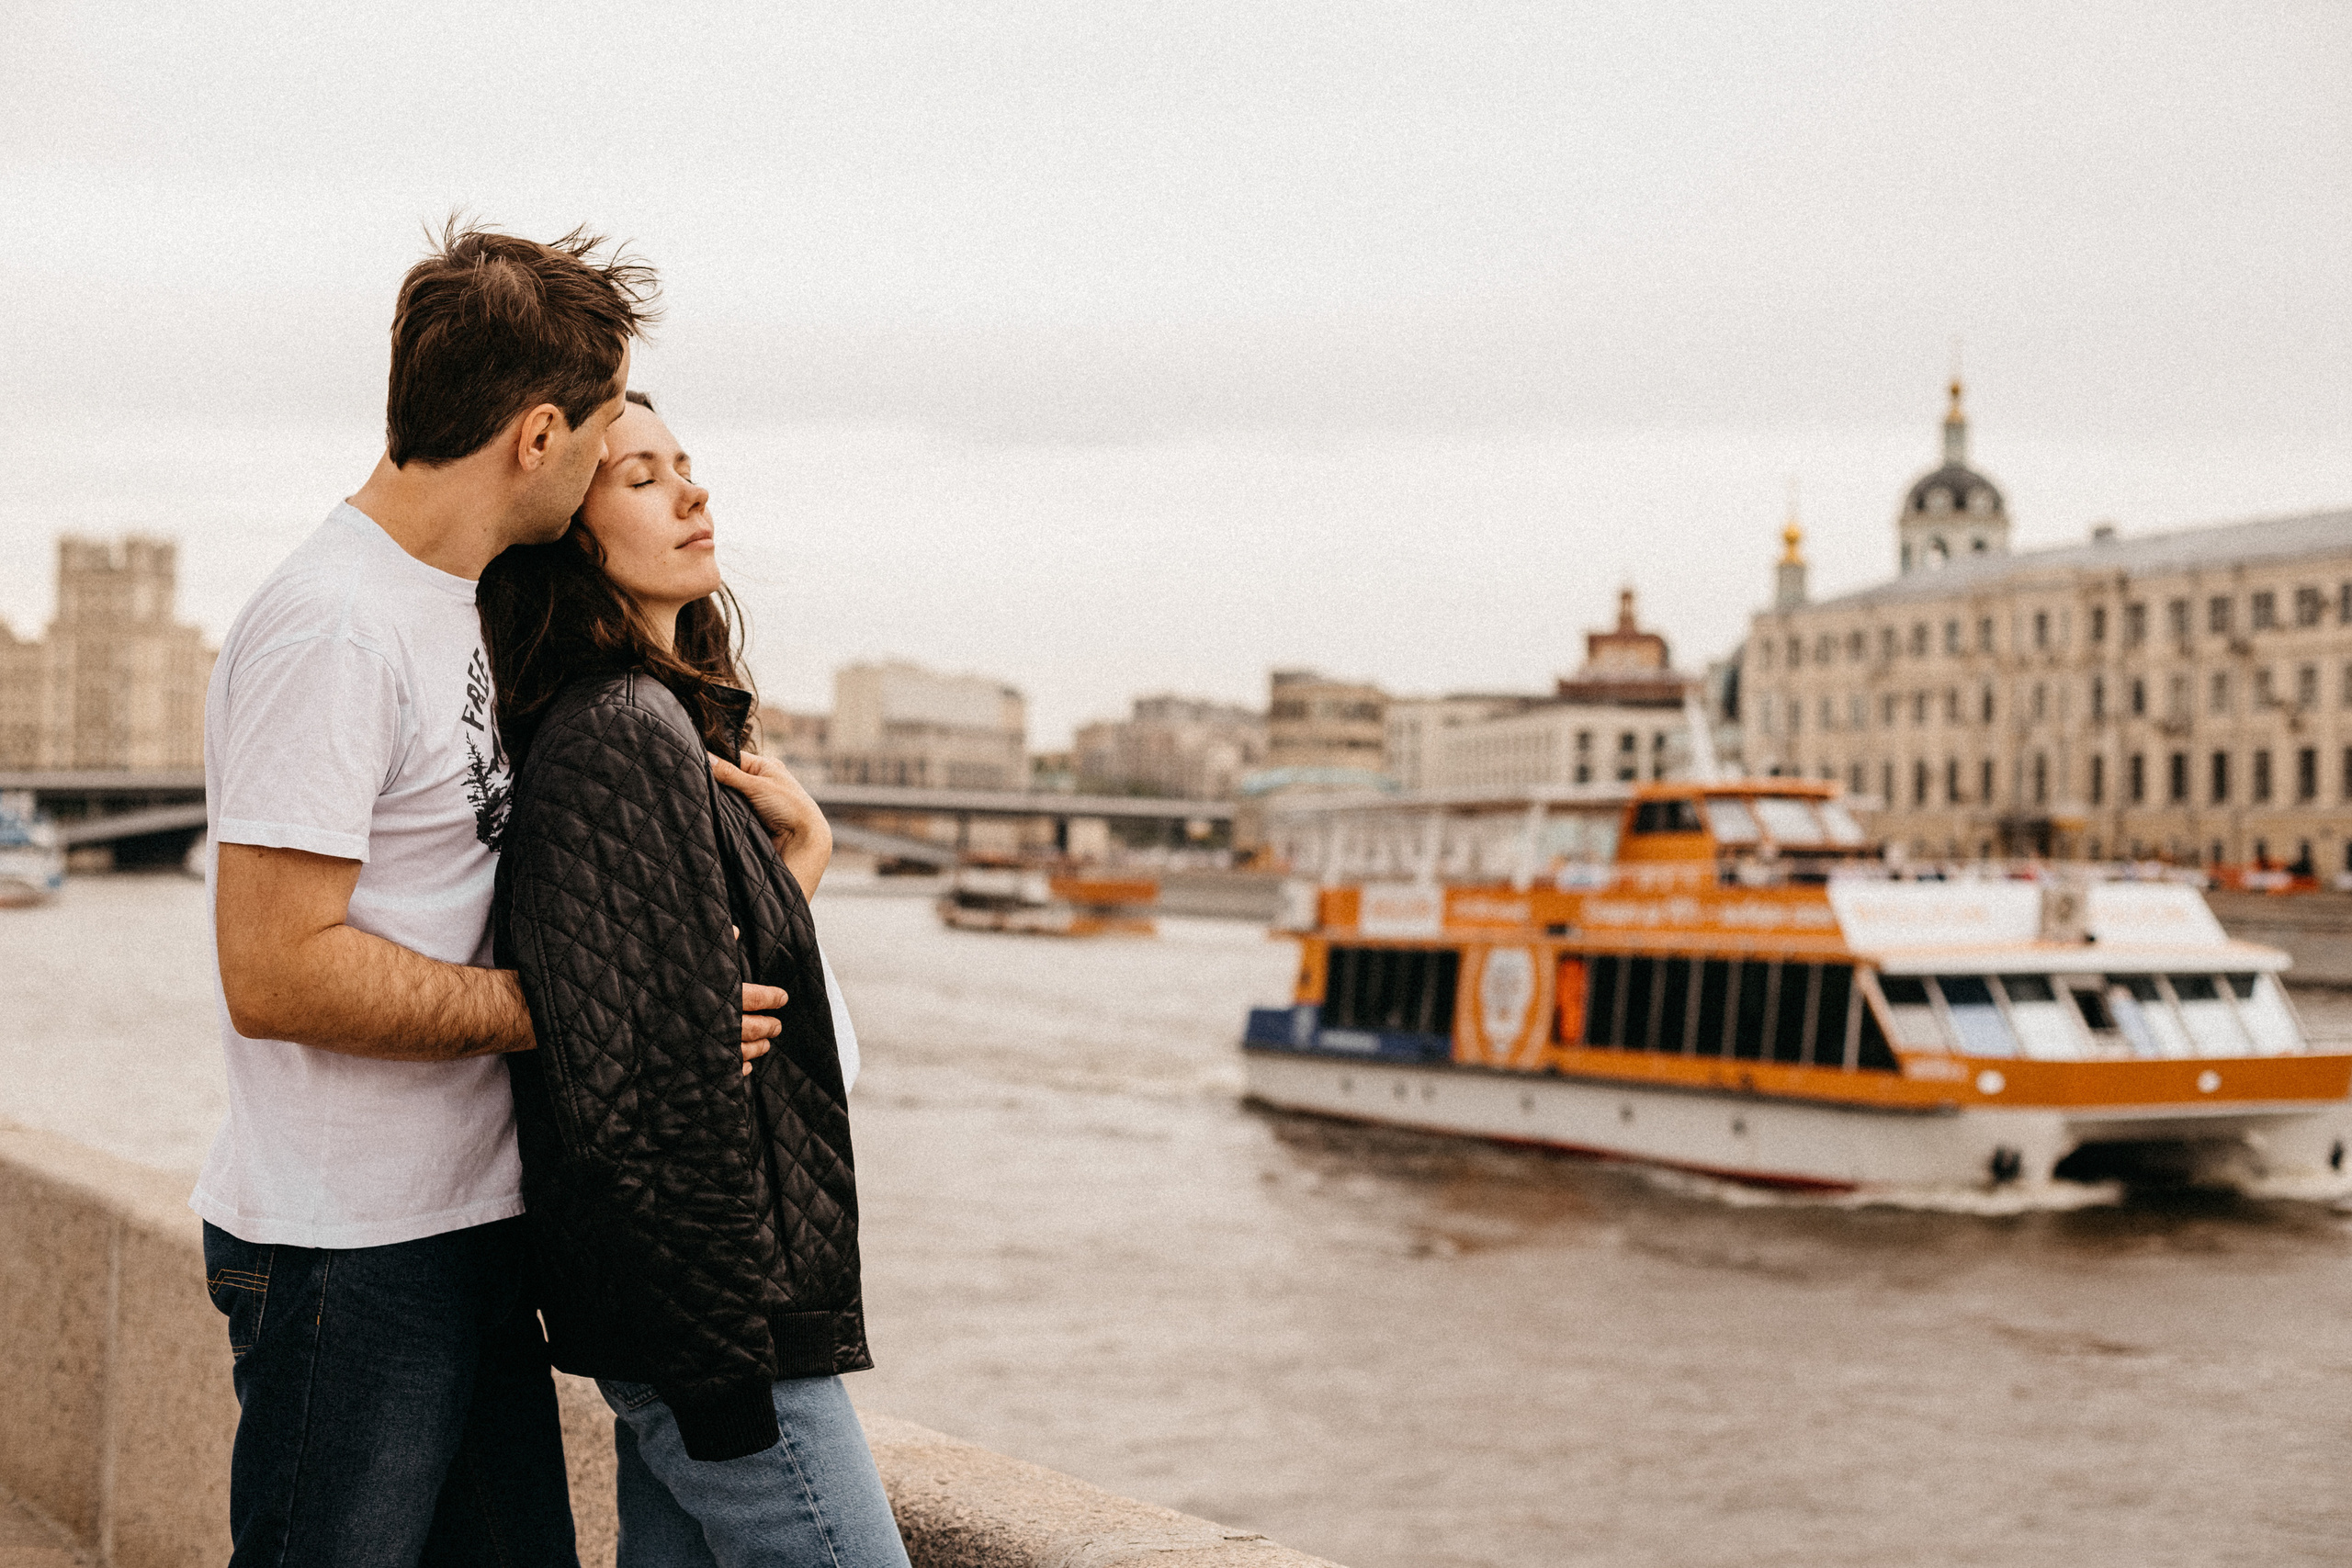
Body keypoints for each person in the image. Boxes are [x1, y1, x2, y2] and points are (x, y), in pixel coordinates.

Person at [198, 226, 784, 1567]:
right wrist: (593, 1013)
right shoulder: (334, 624)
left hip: (456, 1227)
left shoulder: (443, 602)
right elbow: (277, 967)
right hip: (346, 1247)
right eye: (594, 436)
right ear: (534, 437)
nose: (596, 466)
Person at [480, 391, 909, 1568]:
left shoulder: (665, 724)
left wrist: (802, 860)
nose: (691, 491)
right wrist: (721, 1377)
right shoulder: (622, 729)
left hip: (704, 1318)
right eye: (639, 477)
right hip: (723, 1329)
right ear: (574, 530)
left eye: (687, 465)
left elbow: (706, 1004)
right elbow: (641, 1108)